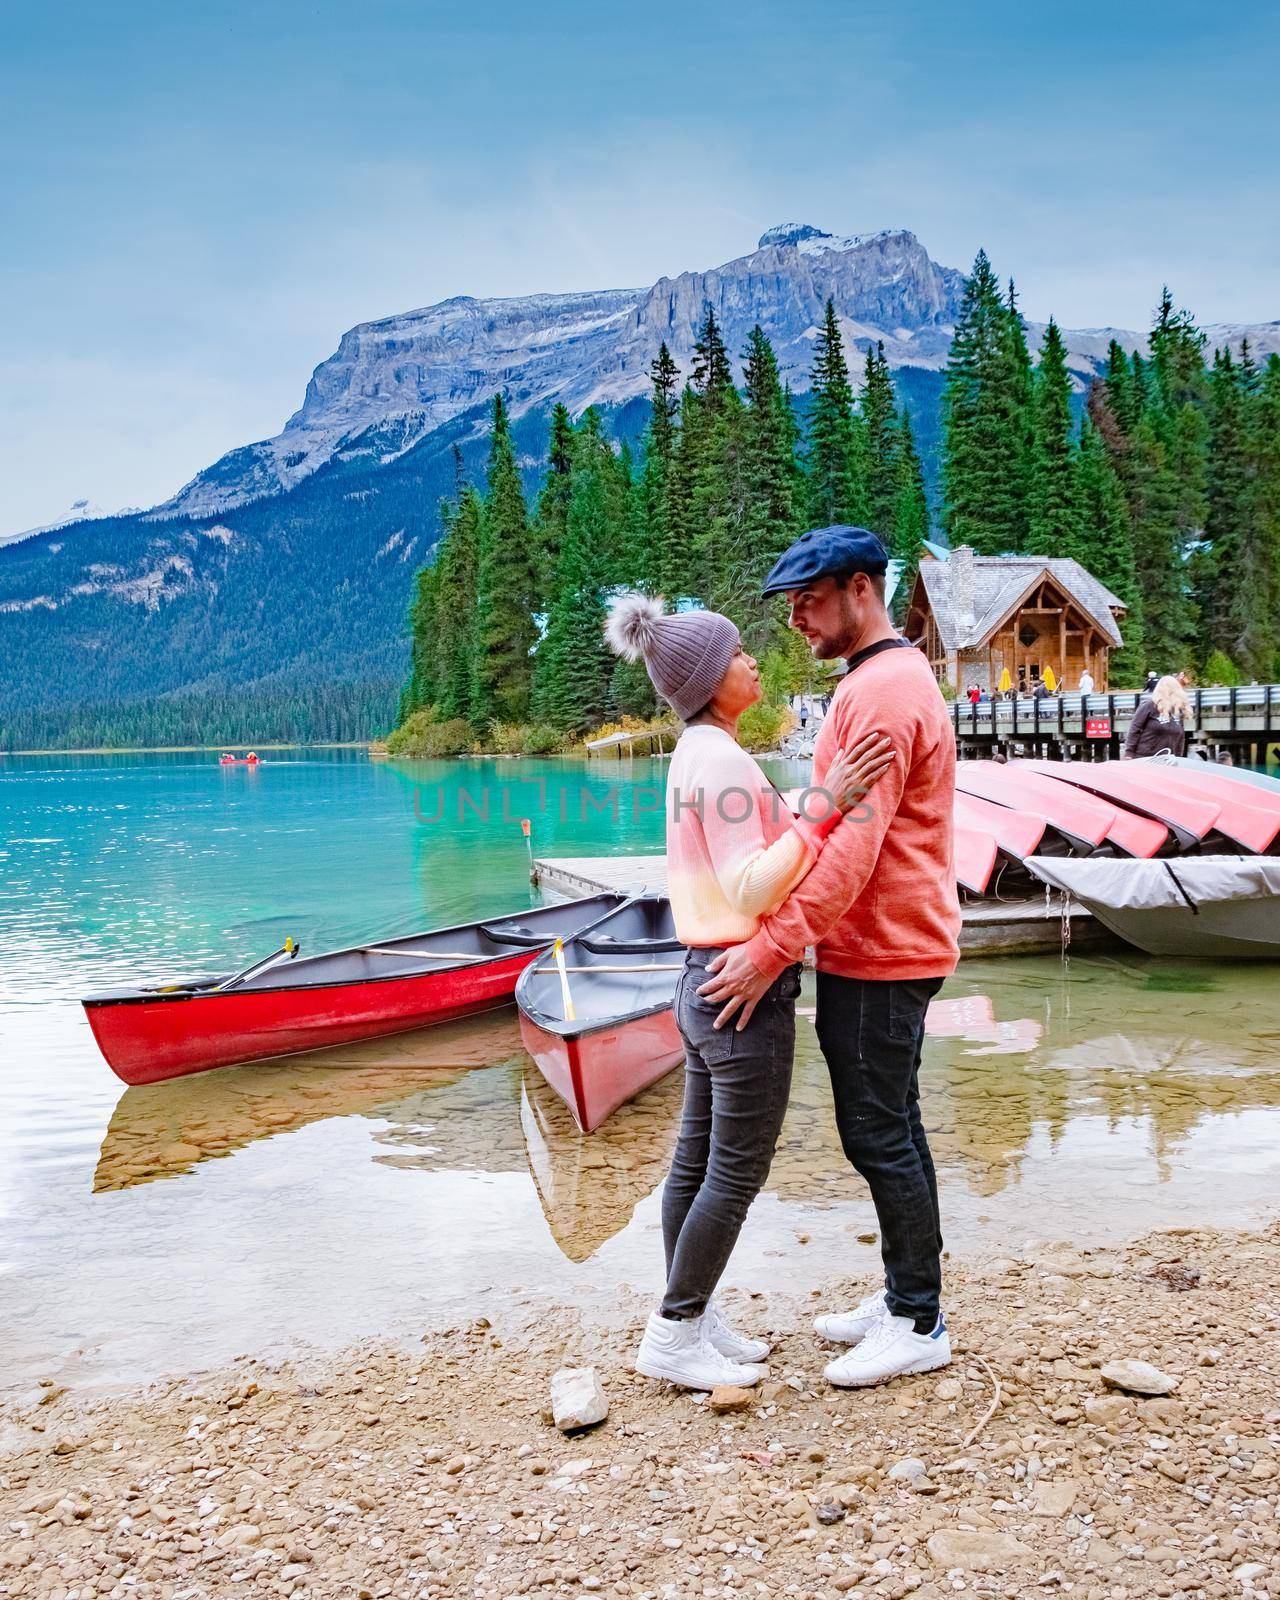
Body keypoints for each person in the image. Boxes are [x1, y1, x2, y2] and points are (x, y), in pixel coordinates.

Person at [604, 593, 896, 1392]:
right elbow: (754, 885)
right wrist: (830, 805)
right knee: (733, 1172)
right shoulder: (723, 759)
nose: (753, 661)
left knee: (694, 1164)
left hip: (699, 982)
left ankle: (690, 1313)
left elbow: (757, 835)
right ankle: (673, 1332)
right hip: (742, 990)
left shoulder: (696, 750)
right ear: (708, 680)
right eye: (737, 656)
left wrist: (810, 804)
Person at [696, 526, 961, 1389]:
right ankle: (903, 1296)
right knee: (892, 1123)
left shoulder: (881, 691)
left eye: (808, 602)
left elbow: (852, 848)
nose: (797, 622)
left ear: (859, 589)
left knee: (878, 1130)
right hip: (877, 945)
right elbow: (831, 820)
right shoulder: (878, 679)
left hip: (885, 948)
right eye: (790, 608)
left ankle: (919, 1319)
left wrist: (772, 948)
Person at [1123, 674, 1191, 758]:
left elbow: (1180, 738)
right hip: (1145, 758)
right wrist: (1128, 753)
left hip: (1168, 760)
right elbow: (1134, 730)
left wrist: (1179, 758)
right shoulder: (1149, 706)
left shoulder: (1177, 710)